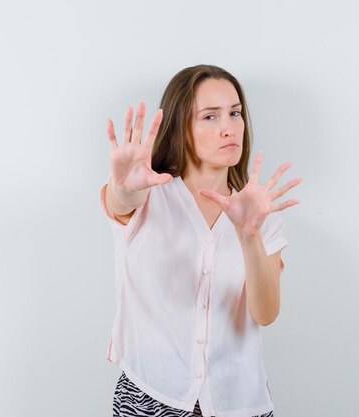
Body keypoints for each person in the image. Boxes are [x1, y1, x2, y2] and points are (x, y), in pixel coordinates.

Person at [100, 64, 302, 417]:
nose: (229, 128)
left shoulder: (260, 214)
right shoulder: (148, 195)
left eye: (235, 113)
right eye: (210, 117)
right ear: (182, 128)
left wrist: (248, 235)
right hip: (150, 394)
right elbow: (120, 202)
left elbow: (265, 313)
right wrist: (123, 187)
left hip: (238, 403)